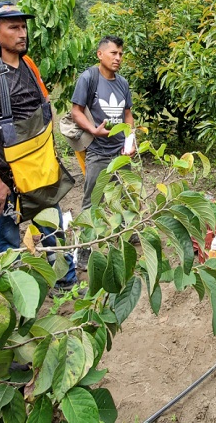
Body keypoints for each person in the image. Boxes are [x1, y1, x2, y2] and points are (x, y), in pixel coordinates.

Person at [0, 1, 77, 289]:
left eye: (23, 26)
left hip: (39, 172)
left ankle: (65, 283)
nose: (22, 33)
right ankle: (10, 295)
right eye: (13, 27)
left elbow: (44, 107)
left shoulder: (28, 65)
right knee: (6, 241)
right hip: (6, 177)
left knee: (52, 229)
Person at [70, 36, 135, 270]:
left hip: (119, 151)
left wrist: (130, 139)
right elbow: (76, 111)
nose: (118, 58)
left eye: (120, 54)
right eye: (113, 53)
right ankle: (85, 250)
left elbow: (127, 114)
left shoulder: (123, 83)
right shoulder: (89, 78)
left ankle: (127, 233)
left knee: (126, 194)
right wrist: (92, 130)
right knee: (92, 201)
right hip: (98, 151)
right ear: (100, 54)